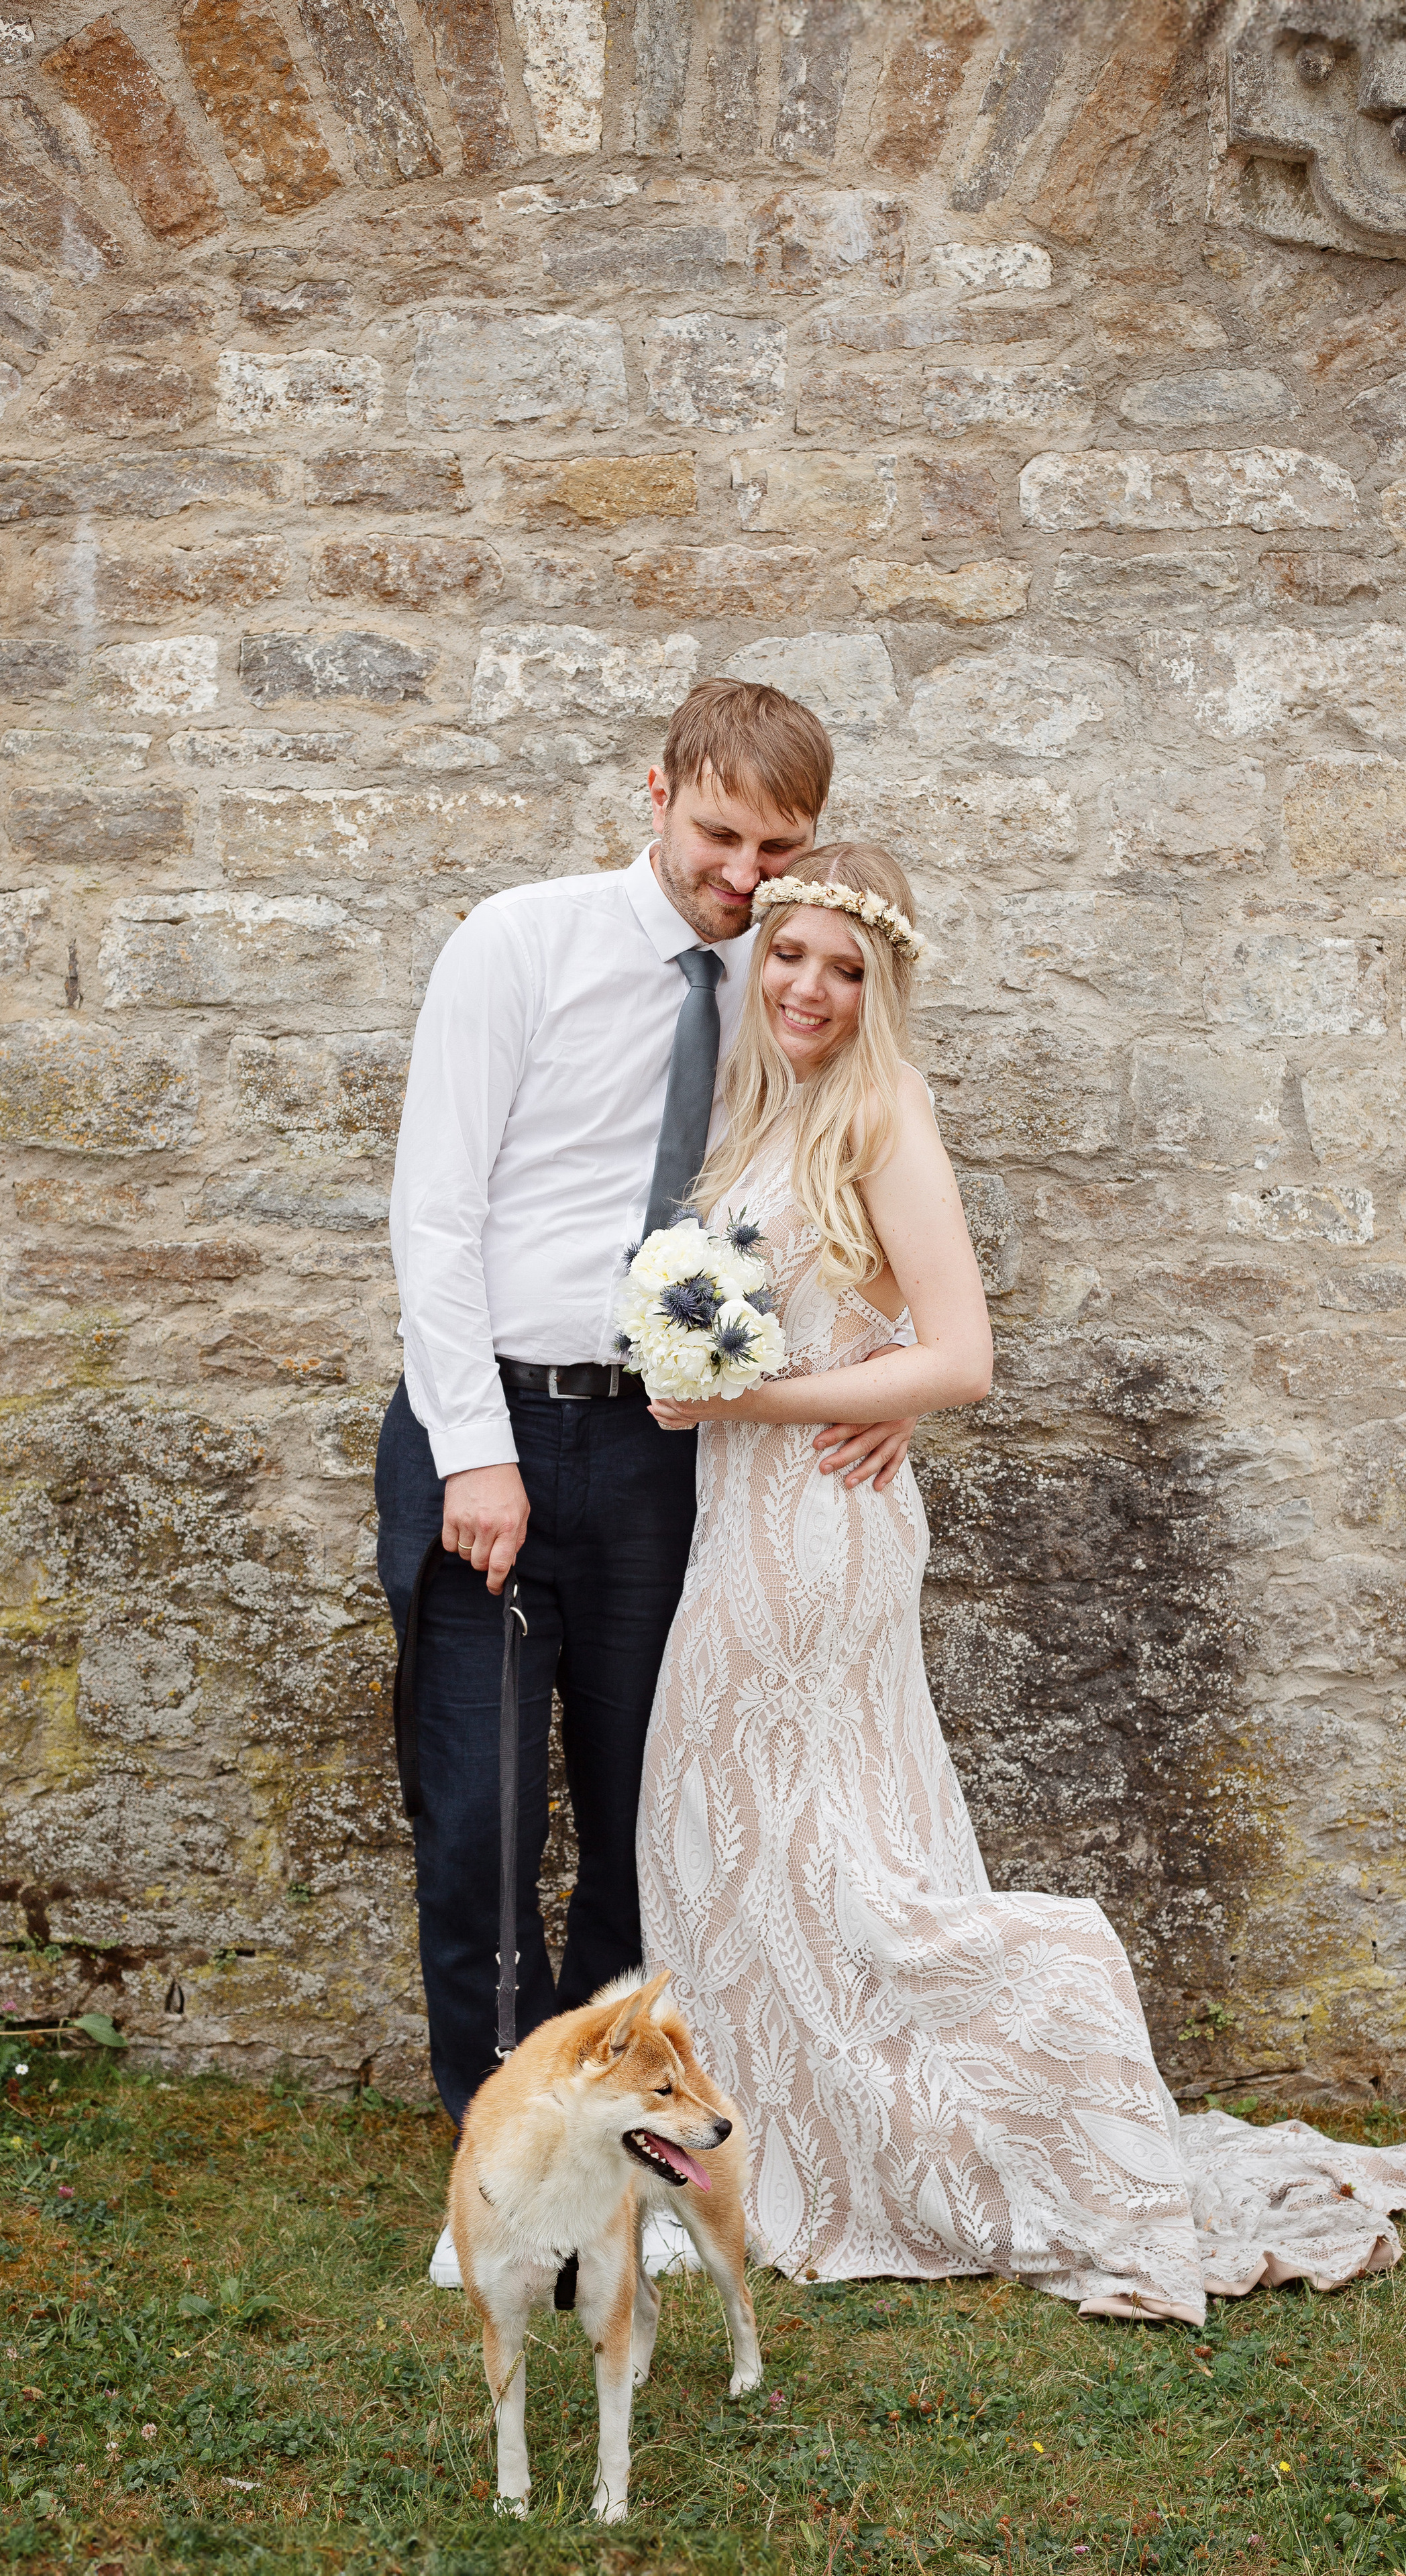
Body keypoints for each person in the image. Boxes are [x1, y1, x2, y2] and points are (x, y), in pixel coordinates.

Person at [636, 843, 1406, 2324]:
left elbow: (963, 1354)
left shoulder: (880, 1110)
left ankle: (1032, 2010)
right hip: (740, 1514)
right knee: (743, 1836)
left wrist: (747, 1401)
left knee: (781, 1832)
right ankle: (784, 2149)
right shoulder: (766, 1106)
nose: (808, 986)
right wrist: (760, 1375)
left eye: (844, 968)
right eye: (790, 954)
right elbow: (845, 1337)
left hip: (813, 1525)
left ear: (881, 989)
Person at [376, 684, 919, 2253]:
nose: (743, 877)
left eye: (779, 848)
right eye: (720, 834)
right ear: (658, 793)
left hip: (670, 1448)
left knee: (643, 1810)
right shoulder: (519, 944)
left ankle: (618, 2130)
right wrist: (476, 1452)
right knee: (478, 1814)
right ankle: (498, 2138)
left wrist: (884, 1381)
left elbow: (853, 1187)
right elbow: (437, 1218)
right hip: (493, 1428)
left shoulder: (794, 978)